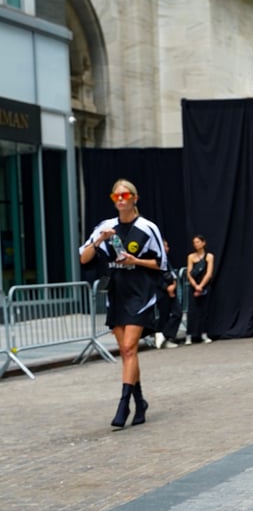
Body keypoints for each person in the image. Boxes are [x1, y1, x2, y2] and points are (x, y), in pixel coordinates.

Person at [79, 179, 166, 427]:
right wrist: (99, 241)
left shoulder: (148, 228)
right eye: (115, 196)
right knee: (127, 353)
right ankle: (140, 402)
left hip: (140, 293)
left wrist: (135, 261)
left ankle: (124, 404)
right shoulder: (106, 227)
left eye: (125, 195)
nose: (120, 199)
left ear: (135, 198)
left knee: (129, 348)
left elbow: (161, 264)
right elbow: (84, 258)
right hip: (116, 293)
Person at [186, 235, 214, 343]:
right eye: (194, 242)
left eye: (198, 242)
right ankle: (189, 335)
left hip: (205, 285)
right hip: (194, 286)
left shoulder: (209, 256)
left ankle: (204, 333)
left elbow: (209, 273)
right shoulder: (191, 257)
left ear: (203, 243)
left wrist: (201, 286)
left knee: (204, 311)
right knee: (192, 311)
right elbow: (189, 272)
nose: (195, 244)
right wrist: (195, 286)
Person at [155, 240, 182, 348]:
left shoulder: (167, 260)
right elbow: (155, 277)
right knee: (164, 315)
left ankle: (165, 335)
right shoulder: (156, 260)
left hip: (172, 290)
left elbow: (172, 274)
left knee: (177, 312)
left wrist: (174, 285)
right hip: (162, 291)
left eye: (167, 246)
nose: (167, 248)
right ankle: (162, 336)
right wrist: (166, 288)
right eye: (164, 246)